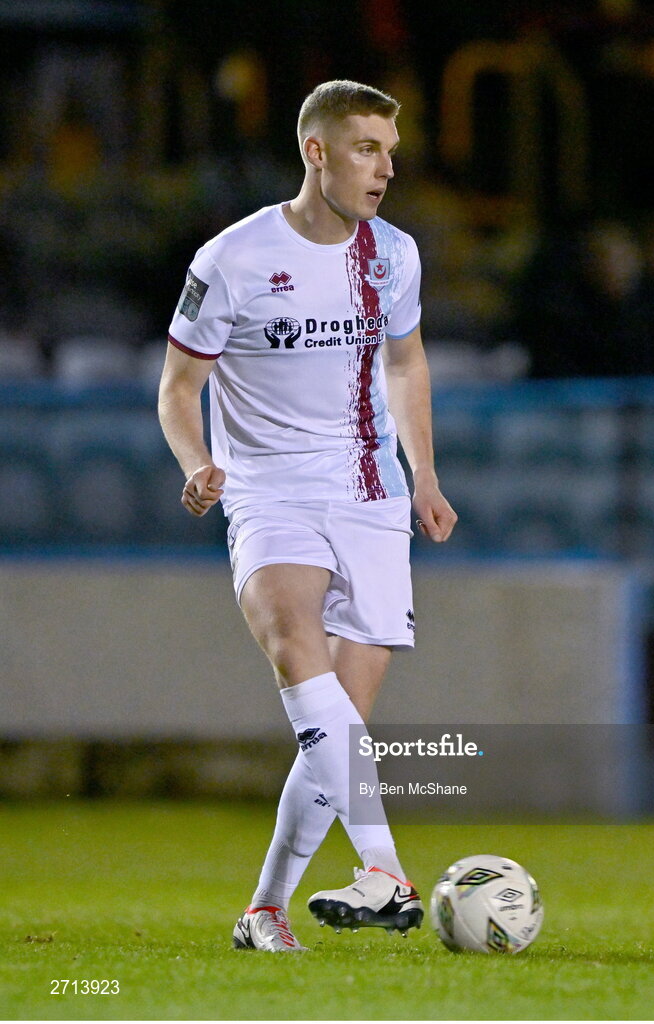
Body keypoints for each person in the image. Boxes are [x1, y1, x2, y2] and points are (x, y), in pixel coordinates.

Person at [157, 79, 457, 952]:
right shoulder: (233, 259)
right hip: (266, 489)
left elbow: (405, 363)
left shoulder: (393, 255)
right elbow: (179, 387)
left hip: (369, 491)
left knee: (339, 732)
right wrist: (196, 463)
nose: (386, 169)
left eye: (391, 152)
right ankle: (388, 870)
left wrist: (425, 474)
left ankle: (263, 910)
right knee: (296, 643)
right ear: (315, 152)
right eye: (367, 148)